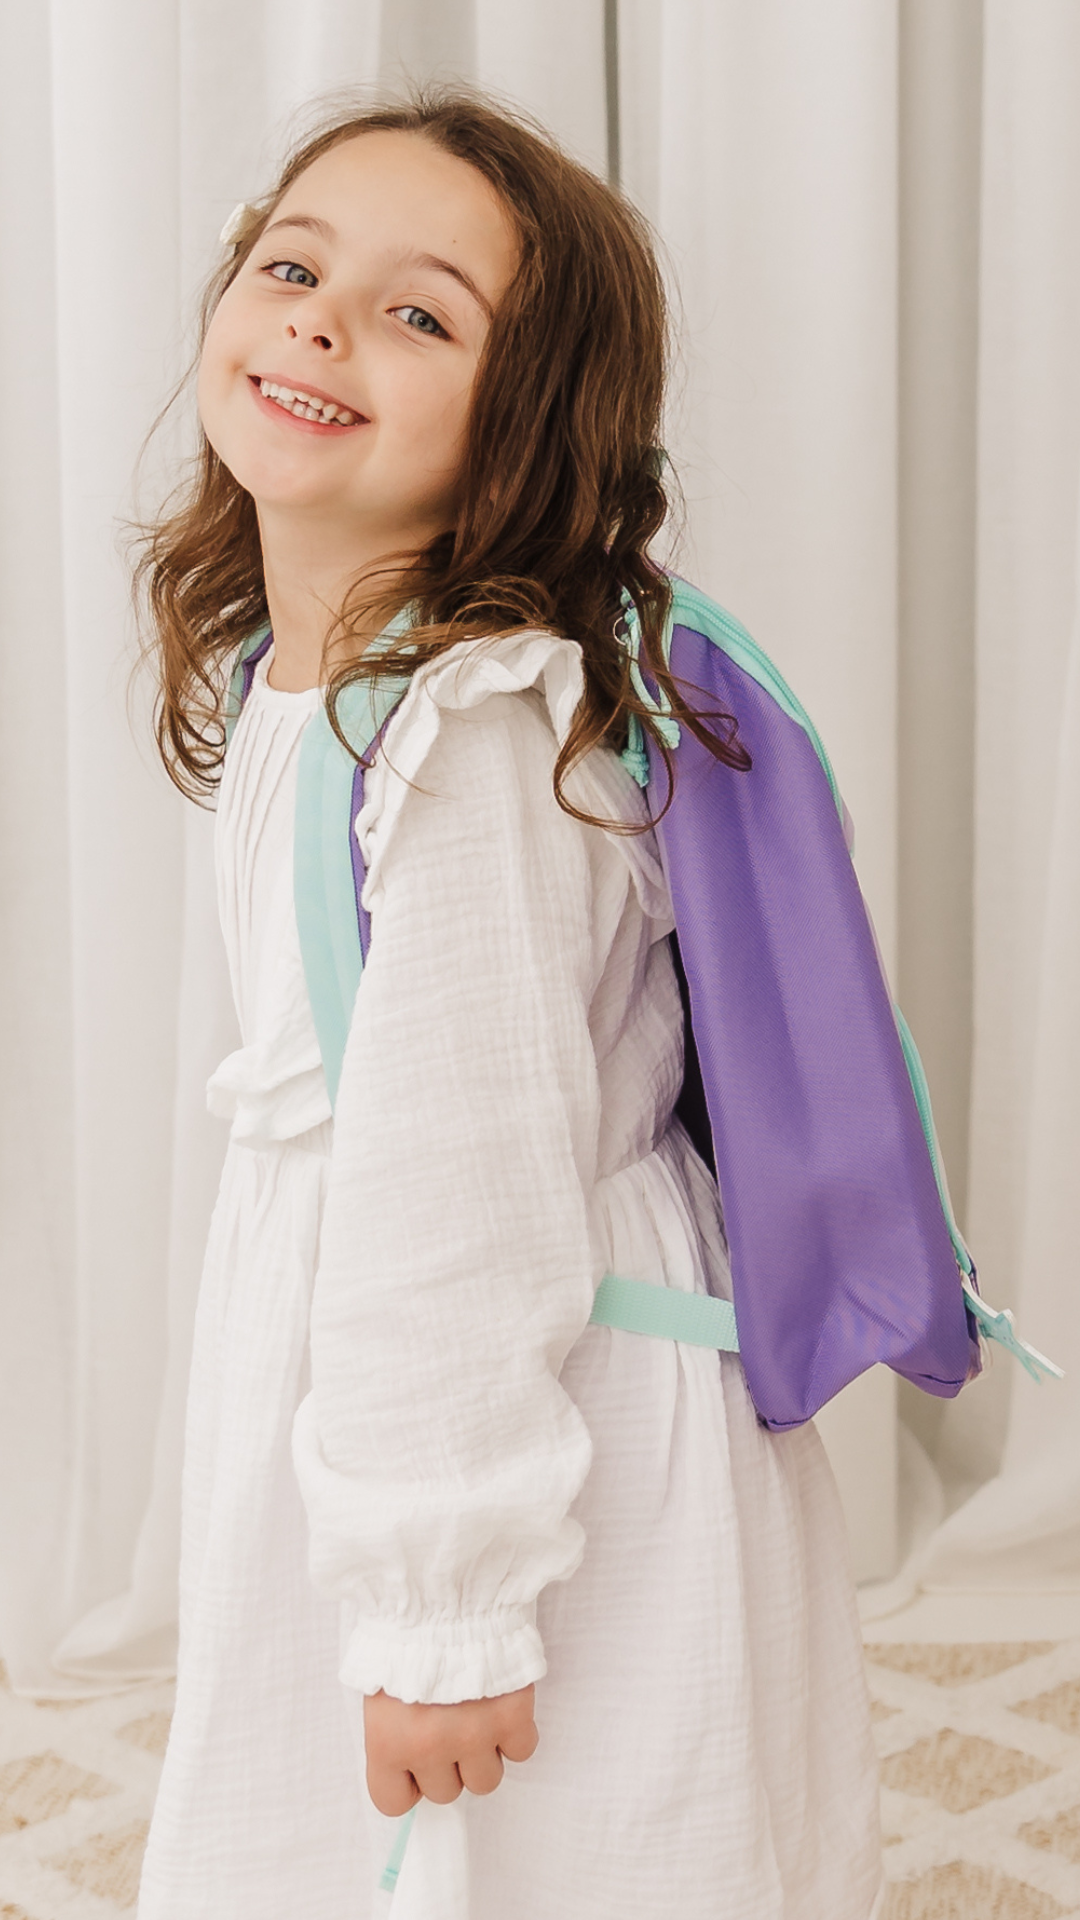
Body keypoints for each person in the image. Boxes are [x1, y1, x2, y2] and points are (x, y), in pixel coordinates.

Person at [134, 88, 885, 1919]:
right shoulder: (311, 671)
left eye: (419, 312)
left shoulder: (471, 742)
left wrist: (444, 1606)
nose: (321, 322)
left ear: (522, 428)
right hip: (411, 1374)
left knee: (566, 1837)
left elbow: (459, 1204)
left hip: (524, 1403)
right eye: (293, 268)